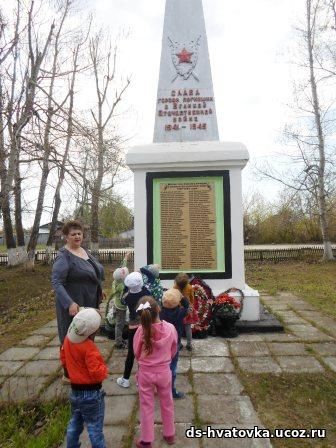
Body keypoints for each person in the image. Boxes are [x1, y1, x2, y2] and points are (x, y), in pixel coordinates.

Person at [51, 220, 105, 380]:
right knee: (71, 337)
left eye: (79, 233)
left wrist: (99, 291)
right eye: (73, 234)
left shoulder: (84, 251)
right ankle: (69, 373)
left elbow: (93, 273)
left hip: (89, 301)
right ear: (66, 237)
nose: (77, 236)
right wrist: (69, 303)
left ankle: (84, 366)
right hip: (74, 305)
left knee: (88, 333)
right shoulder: (64, 257)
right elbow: (57, 283)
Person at [60, 308, 108, 448]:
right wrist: (104, 370)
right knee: (94, 428)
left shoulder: (67, 340)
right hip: (92, 395)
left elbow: (63, 358)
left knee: (74, 423)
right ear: (93, 331)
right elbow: (96, 372)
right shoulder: (89, 348)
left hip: (75, 392)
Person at [134, 296, 177, 447]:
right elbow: (173, 349)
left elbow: (137, 352)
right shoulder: (171, 329)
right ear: (158, 308)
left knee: (146, 405)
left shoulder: (140, 331)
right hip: (164, 372)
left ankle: (146, 440)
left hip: (145, 373)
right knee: (167, 402)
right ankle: (170, 433)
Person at [116, 272, 150, 388]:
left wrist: (127, 285)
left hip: (133, 327)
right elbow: (144, 287)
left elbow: (122, 300)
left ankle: (125, 379)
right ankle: (141, 379)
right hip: (145, 325)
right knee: (143, 352)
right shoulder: (146, 293)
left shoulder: (127, 297)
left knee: (131, 353)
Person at [160, 288, 189, 399]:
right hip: (174, 344)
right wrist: (181, 296)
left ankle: (160, 385)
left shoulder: (160, 312)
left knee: (162, 365)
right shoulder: (181, 312)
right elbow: (186, 306)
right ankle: (171, 390)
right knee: (172, 367)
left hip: (162, 344)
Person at [105, 252, 131, 348]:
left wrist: (125, 258)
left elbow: (121, 270)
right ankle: (118, 342)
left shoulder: (116, 281)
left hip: (116, 304)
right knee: (120, 325)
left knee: (118, 322)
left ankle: (118, 338)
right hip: (121, 307)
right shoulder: (122, 287)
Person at [174, 273, 198, 351]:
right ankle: (189, 344)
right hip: (188, 309)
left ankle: (179, 344)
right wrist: (191, 307)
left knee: (178, 328)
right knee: (188, 328)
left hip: (178, 310)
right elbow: (192, 299)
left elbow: (173, 297)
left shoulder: (175, 287)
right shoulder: (189, 287)